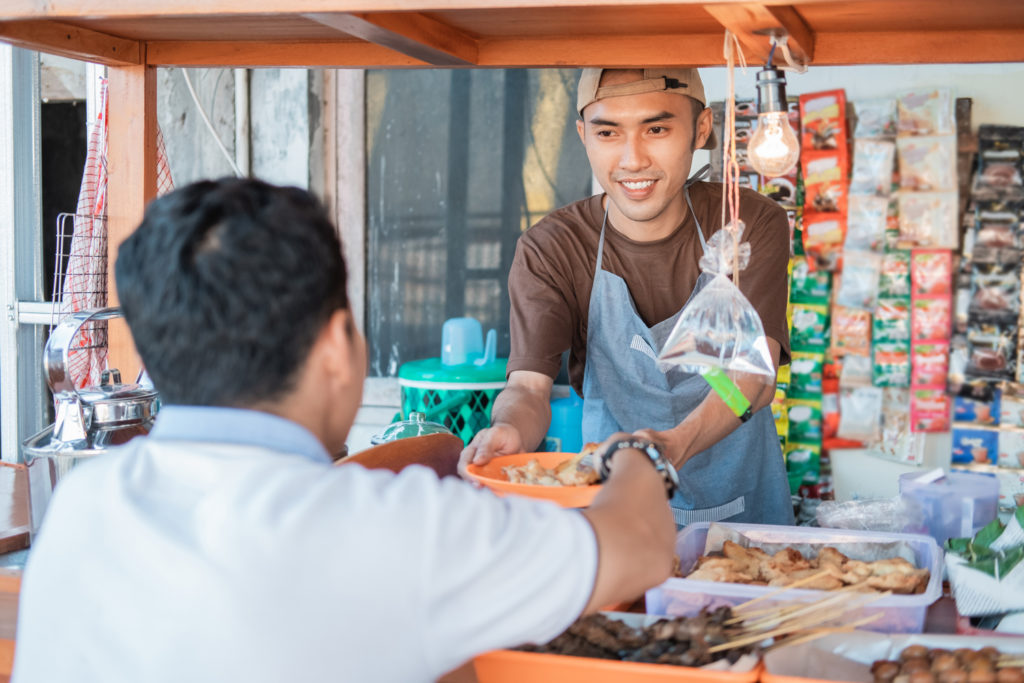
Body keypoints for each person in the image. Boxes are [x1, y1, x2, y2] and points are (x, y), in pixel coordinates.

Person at [13, 179, 678, 683]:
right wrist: (636, 455)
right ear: (336, 348)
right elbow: (643, 544)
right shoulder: (392, 530)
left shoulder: (83, 507)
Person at [461, 68, 794, 527]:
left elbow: (751, 382)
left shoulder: (745, 222)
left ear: (701, 129)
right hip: (615, 514)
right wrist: (510, 429)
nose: (632, 159)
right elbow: (528, 388)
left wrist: (675, 445)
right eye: (608, 133)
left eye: (656, 129)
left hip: (744, 522)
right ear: (583, 135)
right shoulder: (553, 248)